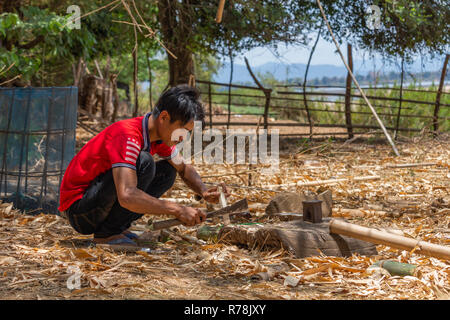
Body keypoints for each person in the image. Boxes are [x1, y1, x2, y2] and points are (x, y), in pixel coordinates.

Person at [58, 84, 229, 245]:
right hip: (80, 211)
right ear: (164, 117)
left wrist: (204, 191)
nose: (183, 137)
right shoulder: (127, 136)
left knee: (167, 172)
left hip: (96, 204)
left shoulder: (161, 138)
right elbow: (127, 195)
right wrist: (177, 209)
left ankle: (115, 229)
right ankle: (107, 234)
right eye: (182, 130)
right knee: (145, 162)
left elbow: (183, 168)